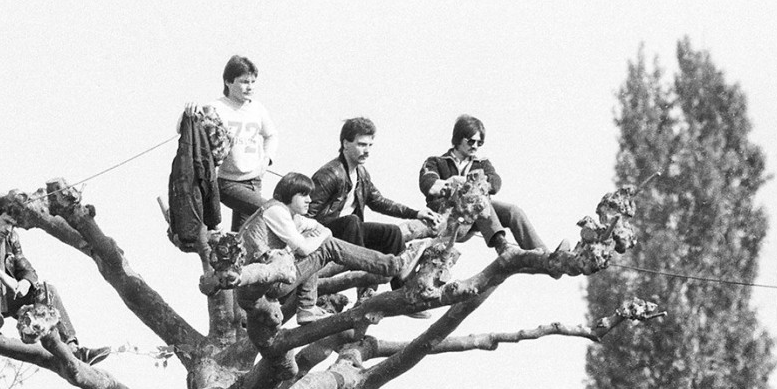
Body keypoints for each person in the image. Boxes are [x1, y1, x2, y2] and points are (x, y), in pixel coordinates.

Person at [0, 194, 109, 365]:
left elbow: (26, 268)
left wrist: (25, 282)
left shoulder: (10, 238)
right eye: (7, 222)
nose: (9, 229)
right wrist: (1, 274)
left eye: (13, 225)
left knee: (47, 290)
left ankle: (73, 349)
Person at [238, 172, 432, 324]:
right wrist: (323, 236)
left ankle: (306, 308)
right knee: (325, 246)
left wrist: (322, 234)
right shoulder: (276, 211)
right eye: (303, 195)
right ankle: (395, 265)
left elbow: (317, 227)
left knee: (318, 240)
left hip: (274, 279)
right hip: (268, 282)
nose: (309, 200)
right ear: (289, 194)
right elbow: (304, 249)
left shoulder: (292, 215)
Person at [307, 117, 439, 273]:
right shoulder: (330, 174)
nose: (367, 151)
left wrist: (416, 213)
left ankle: (402, 285)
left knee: (393, 233)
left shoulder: (361, 174)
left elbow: (379, 202)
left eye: (370, 145)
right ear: (345, 144)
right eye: (361, 145)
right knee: (352, 221)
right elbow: (307, 214)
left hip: (352, 233)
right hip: (327, 236)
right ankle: (362, 277)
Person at [418, 115, 565, 254]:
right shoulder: (436, 162)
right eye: (471, 141)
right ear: (458, 138)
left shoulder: (481, 163)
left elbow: (495, 181)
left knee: (513, 211)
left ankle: (545, 256)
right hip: (447, 219)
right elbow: (428, 184)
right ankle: (501, 245)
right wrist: (455, 184)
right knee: (476, 197)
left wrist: (481, 186)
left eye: (479, 143)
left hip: (476, 217)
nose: (475, 146)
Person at [205, 56, 278, 231]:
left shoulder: (257, 109)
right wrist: (189, 110)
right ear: (228, 82)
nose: (250, 87)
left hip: (254, 181)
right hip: (228, 182)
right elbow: (183, 126)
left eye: (253, 82)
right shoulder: (216, 107)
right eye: (244, 81)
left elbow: (272, 135)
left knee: (243, 240)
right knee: (273, 211)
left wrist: (267, 159)